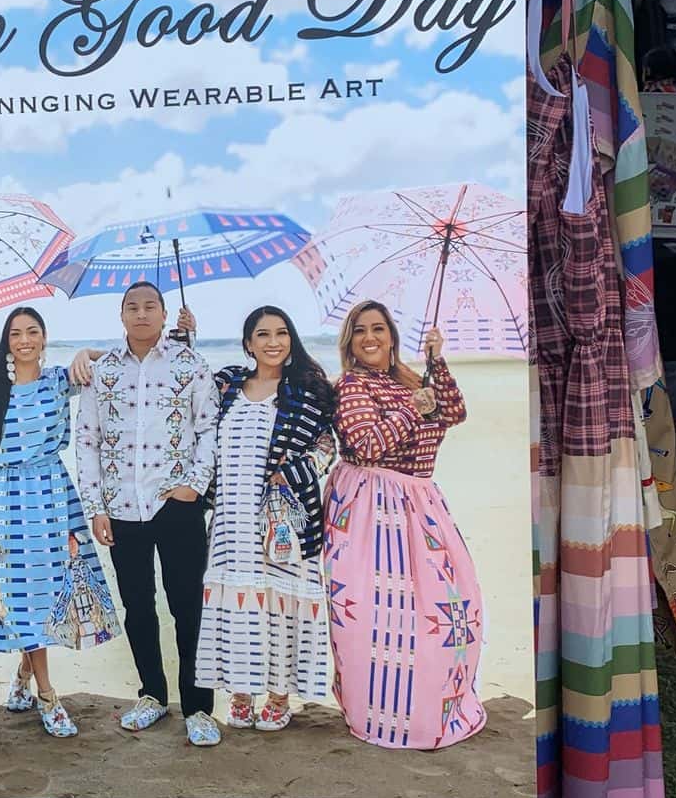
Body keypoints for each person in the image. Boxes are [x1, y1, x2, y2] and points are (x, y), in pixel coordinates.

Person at [323, 301, 485, 750]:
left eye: (378, 328)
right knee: (375, 615)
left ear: (393, 336)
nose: (370, 337)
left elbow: (454, 413)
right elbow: (366, 444)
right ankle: (379, 714)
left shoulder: (412, 380)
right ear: (350, 342)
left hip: (419, 503)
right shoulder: (351, 386)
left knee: (444, 608)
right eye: (360, 331)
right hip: (371, 508)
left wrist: (436, 361)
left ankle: (432, 708)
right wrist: (413, 409)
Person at [75, 282, 221, 747]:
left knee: (187, 607)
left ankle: (198, 706)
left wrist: (194, 485)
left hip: (175, 505)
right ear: (121, 316)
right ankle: (152, 695)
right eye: (132, 307)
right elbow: (87, 440)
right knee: (138, 607)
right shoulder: (103, 371)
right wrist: (95, 506)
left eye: (149, 306)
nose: (141, 314)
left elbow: (208, 429)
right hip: (121, 508)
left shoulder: (190, 364)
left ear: (163, 314)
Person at [0, 307, 112, 738]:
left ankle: (24, 677)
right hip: (3, 501)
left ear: (44, 338)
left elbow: (118, 361)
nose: (24, 340)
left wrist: (86, 352)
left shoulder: (58, 381)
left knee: (46, 593)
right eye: (16, 333)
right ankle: (48, 694)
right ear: (7, 341)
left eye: (33, 332)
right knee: (20, 596)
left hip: (51, 495)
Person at [195, 306, 336, 735]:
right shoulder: (227, 386)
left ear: (291, 339)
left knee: (281, 603)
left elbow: (328, 444)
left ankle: (278, 695)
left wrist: (298, 469)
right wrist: (185, 336)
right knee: (240, 604)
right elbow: (187, 396)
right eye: (263, 334)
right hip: (231, 518)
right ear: (248, 343)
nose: (273, 341)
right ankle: (241, 690)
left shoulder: (308, 392)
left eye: (281, 333)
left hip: (284, 520)